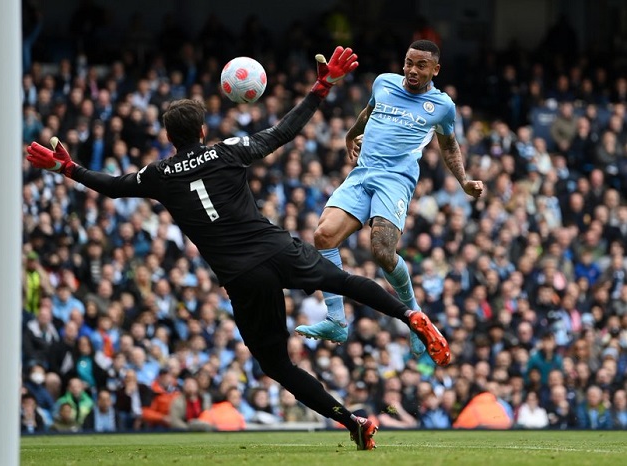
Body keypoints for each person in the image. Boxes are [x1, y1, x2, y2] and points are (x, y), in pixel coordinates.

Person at [26, 46, 450, 450]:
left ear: (169, 136)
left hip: (242, 278)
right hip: (277, 247)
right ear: (203, 131)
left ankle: (353, 421)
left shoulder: (158, 175)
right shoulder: (226, 151)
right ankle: (409, 314)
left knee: (276, 366)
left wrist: (68, 168)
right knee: (343, 280)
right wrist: (321, 88)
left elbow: (113, 187)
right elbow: (284, 132)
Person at [294, 40, 483, 360]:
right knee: (323, 235)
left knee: (381, 250)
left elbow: (448, 145)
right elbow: (369, 111)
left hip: (395, 182)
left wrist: (463, 181)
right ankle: (337, 320)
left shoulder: (441, 106)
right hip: (362, 174)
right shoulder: (383, 82)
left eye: (421, 65)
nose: (411, 70)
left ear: (435, 70)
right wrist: (351, 134)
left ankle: (414, 316)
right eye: (409, 62)